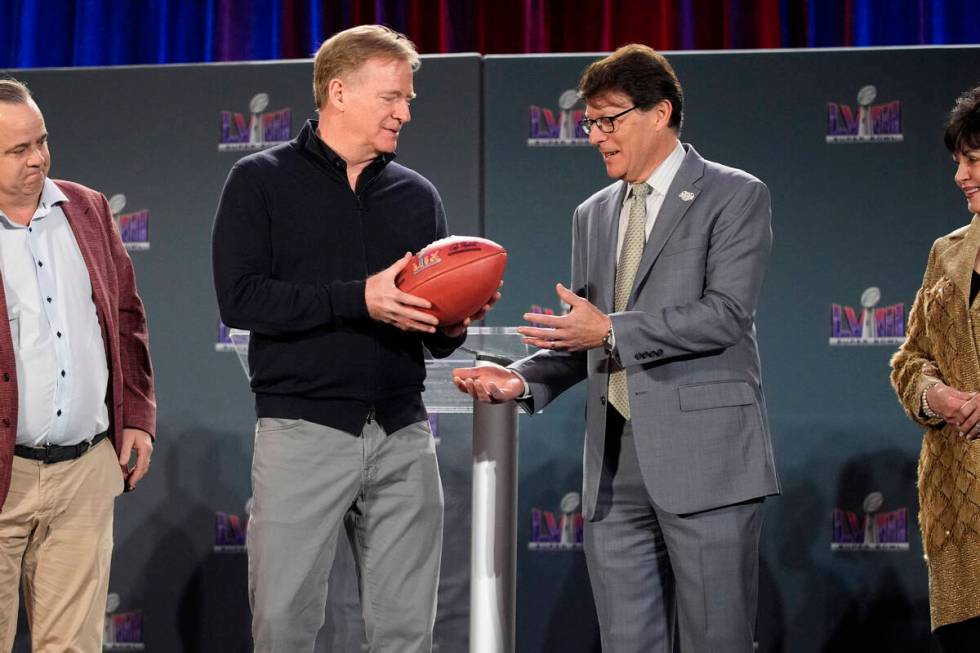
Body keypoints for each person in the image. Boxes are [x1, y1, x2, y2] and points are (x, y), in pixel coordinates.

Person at [454, 44, 779, 652]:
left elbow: (725, 316)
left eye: (611, 120)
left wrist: (607, 331)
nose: (597, 136)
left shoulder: (734, 195)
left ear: (660, 113)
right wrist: (520, 379)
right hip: (613, 463)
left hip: (706, 462)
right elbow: (587, 329)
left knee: (717, 640)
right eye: (590, 123)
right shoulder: (593, 213)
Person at [212, 25, 494, 653]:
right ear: (338, 91)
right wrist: (357, 297)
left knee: (404, 633)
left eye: (410, 101)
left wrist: (453, 318)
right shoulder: (260, 180)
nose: (405, 112)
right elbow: (241, 299)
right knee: (284, 626)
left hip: (402, 433)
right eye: (392, 97)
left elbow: (433, 338)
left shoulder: (417, 196)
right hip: (302, 436)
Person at [0, 78, 156, 651]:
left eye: (41, 141)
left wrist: (136, 414)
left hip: (85, 471)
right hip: (3, 474)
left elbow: (126, 317)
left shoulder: (85, 209)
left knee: (74, 645)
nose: (37, 158)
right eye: (18, 150)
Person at [891, 85, 980, 653]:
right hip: (958, 516)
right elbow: (910, 358)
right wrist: (936, 397)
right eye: (958, 162)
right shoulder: (946, 253)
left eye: (972, 160)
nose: (960, 175)